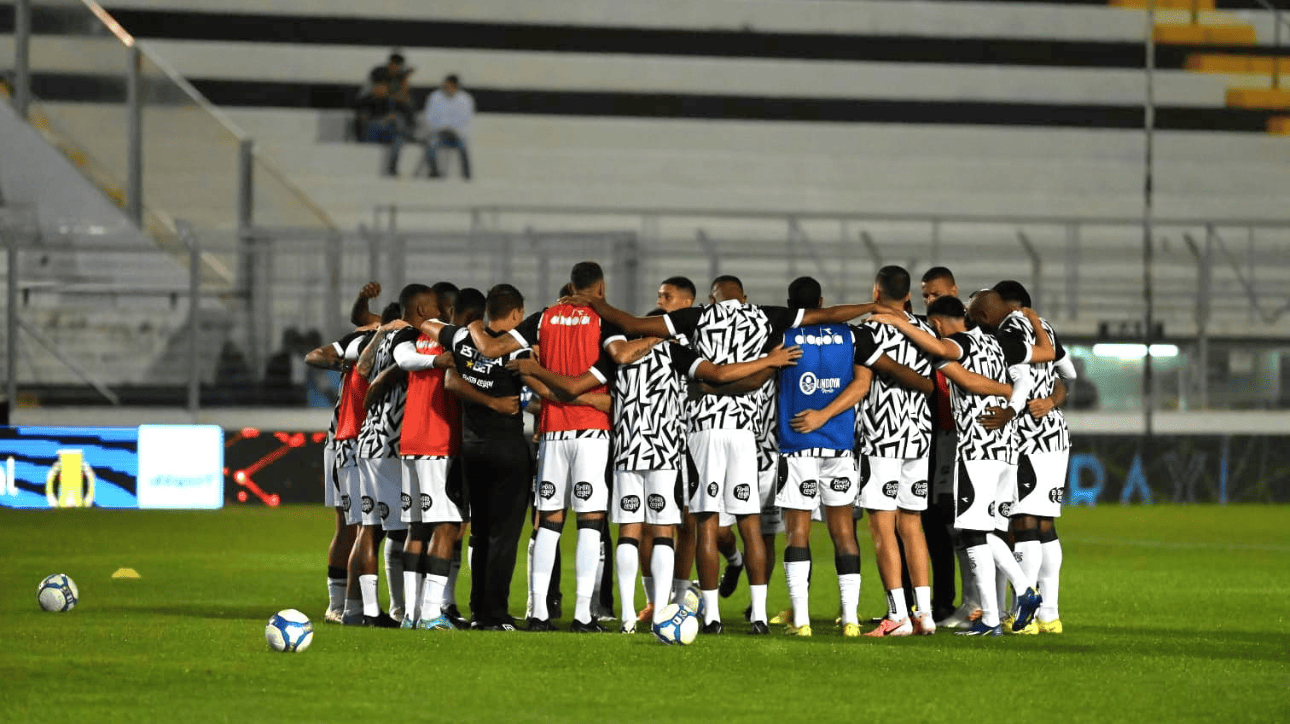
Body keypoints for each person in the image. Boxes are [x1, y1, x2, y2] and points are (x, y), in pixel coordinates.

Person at [569, 276, 877, 634]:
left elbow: (633, 323)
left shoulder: (699, 317)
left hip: (704, 430)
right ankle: (758, 615)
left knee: (706, 524)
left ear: (711, 297)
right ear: (743, 296)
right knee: (750, 525)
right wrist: (870, 306)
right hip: (745, 433)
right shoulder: (763, 315)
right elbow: (824, 315)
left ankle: (712, 616)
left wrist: (592, 301)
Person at [511, 316, 803, 632]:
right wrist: (766, 362)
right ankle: (661, 613)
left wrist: (543, 378)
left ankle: (626, 618)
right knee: (664, 531)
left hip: (626, 449)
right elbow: (718, 374)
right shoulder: (674, 351)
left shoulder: (618, 353)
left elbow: (580, 387)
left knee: (628, 531)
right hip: (664, 450)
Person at [465, 262, 657, 632]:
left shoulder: (543, 318)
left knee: (549, 524)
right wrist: (655, 338)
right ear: (600, 288)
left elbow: (491, 349)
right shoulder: (603, 321)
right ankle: (583, 615)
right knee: (589, 524)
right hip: (591, 434)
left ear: (570, 286)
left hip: (552, 433)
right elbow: (622, 356)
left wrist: (473, 323)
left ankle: (538, 613)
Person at [871, 293, 1042, 636]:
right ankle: (996, 615)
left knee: (973, 533)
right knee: (985, 531)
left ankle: (1020, 594)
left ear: (937, 323)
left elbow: (959, 371)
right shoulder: (999, 343)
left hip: (978, 448)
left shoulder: (959, 344)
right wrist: (1012, 400)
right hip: (1007, 447)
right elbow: (1036, 364)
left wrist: (899, 323)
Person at [775, 276, 931, 637]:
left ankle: (801, 620)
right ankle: (849, 619)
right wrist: (930, 387)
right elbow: (866, 382)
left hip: (798, 443)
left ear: (791, 305)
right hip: (841, 445)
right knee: (845, 532)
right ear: (822, 301)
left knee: (797, 533)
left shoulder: (782, 335)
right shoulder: (851, 336)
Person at [982, 281, 1074, 635]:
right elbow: (1069, 374)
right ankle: (1050, 614)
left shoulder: (1008, 332)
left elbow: (1019, 382)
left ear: (1006, 305)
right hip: (1055, 434)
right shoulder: (1044, 327)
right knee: (1046, 525)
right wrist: (1050, 400)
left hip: (1027, 436)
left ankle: (1026, 619)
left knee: (1023, 523)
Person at [851, 266, 939, 637]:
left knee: (882, 527)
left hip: (881, 436)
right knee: (912, 524)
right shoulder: (927, 331)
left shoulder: (866, 332)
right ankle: (925, 614)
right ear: (908, 296)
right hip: (919, 436)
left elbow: (861, 384)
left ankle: (898, 614)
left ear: (876, 292)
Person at [380, 284, 465, 630]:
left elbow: (404, 361)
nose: (442, 312)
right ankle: (430, 613)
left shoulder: (411, 339)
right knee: (446, 526)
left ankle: (411, 615)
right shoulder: (449, 341)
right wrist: (438, 360)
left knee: (416, 528)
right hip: (436, 443)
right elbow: (406, 362)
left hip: (412, 442)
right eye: (436, 306)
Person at [350, 287, 430, 626]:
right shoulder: (410, 338)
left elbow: (361, 367)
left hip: (368, 440)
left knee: (370, 528)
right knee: (403, 530)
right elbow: (406, 366)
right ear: (421, 309)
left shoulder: (382, 339)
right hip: (391, 444)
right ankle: (405, 608)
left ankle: (370, 611)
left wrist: (380, 331)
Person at [303, 301, 380, 625]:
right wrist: (345, 364)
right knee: (352, 527)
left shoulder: (396, 338)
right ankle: (341, 605)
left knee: (364, 527)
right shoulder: (366, 339)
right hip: (348, 442)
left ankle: (354, 605)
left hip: (365, 443)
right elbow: (314, 356)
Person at [920, 267, 967, 625]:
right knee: (932, 520)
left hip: (963, 438)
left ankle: (974, 603)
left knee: (957, 522)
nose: (929, 300)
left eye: (935, 294)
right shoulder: (925, 332)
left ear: (953, 290)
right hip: (933, 438)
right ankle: (938, 602)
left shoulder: (969, 335)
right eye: (925, 295)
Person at [354, 68, 406, 177]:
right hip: (368, 134)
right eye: (381, 86)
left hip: (385, 133)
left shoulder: (389, 101)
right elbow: (363, 121)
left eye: (385, 86)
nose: (383, 89)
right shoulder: (366, 100)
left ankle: (392, 168)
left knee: (399, 138)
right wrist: (384, 120)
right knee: (379, 125)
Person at [424, 74, 474, 180]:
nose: (448, 88)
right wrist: (442, 127)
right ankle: (434, 172)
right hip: (439, 132)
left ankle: (466, 175)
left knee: (463, 146)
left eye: (451, 86)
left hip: (457, 133)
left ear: (456, 86)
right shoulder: (435, 97)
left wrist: (454, 129)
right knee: (431, 144)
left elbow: (466, 120)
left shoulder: (465, 99)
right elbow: (429, 117)